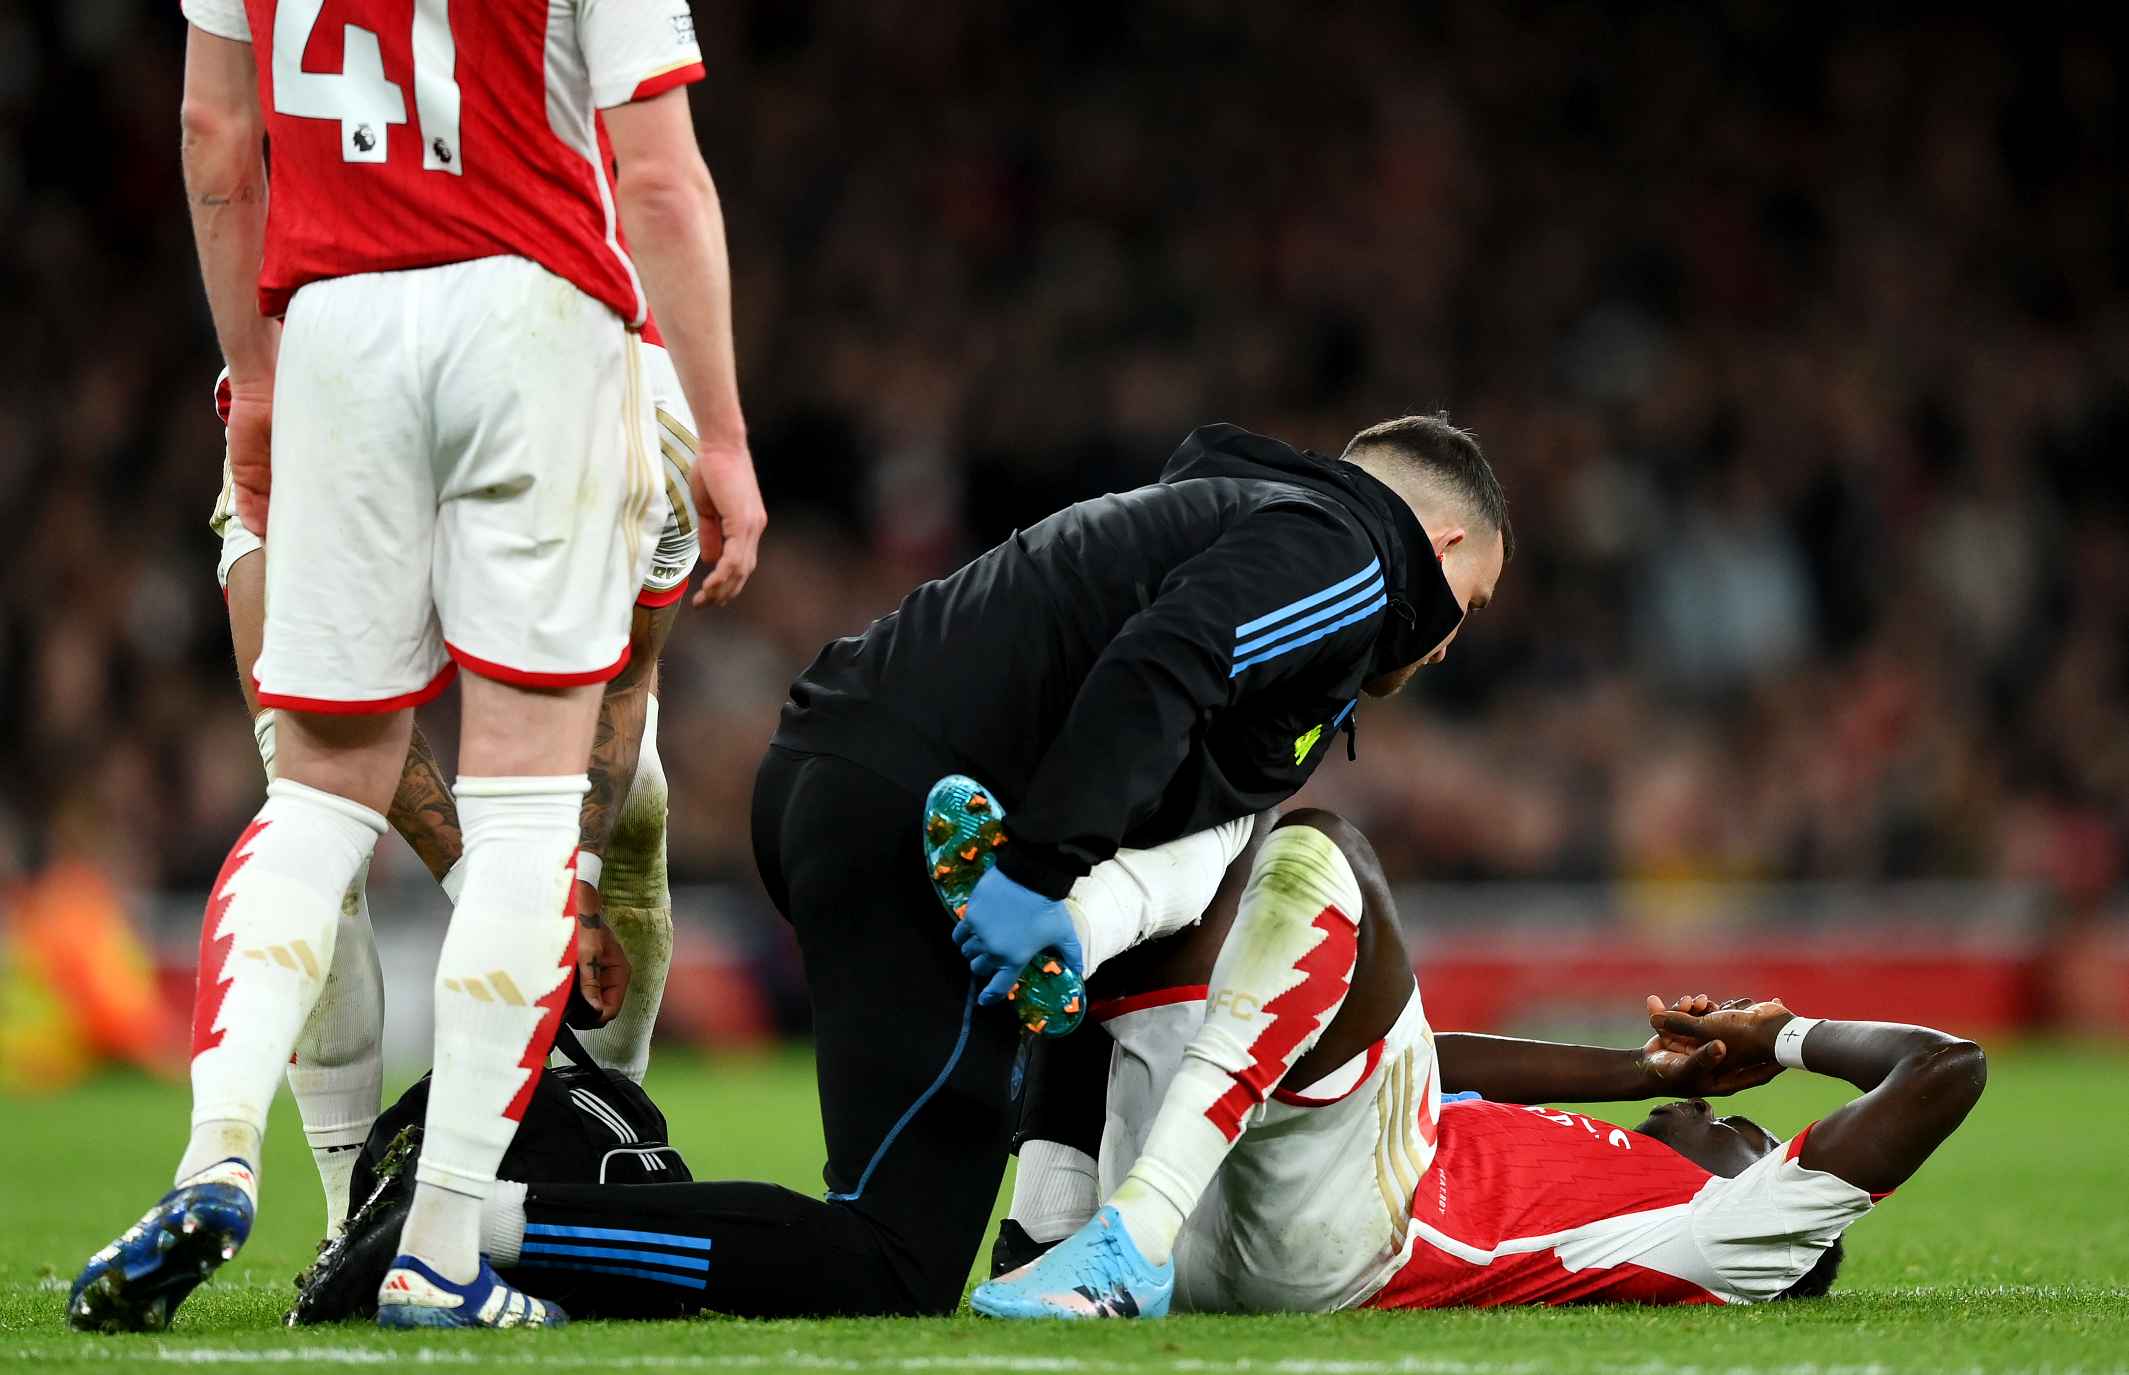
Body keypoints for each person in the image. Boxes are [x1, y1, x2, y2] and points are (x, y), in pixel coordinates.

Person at [298, 414, 1506, 1319]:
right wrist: (1034, 872)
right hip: (920, 815)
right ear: (1439, 538)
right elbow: (1164, 666)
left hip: (850, 773)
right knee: (889, 1260)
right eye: (1471, 598)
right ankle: (463, 1229)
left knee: (916, 1199)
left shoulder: (1243, 515)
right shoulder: (1355, 560)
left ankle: (1044, 1230)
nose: (1450, 639)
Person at [70, 0, 760, 1334]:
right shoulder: (650, 411)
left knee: (314, 787)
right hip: (538, 319)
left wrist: (253, 375)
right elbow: (660, 175)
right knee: (528, 806)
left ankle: (219, 1156)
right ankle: (431, 1240)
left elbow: (217, 130)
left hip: (328, 329)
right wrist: (726, 438)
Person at [973, 809, 1990, 1316]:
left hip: (1343, 1242)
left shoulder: (1736, 1241)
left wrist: (1777, 1037)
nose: (1735, 1125)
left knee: (1321, 852)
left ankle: (1104, 1233)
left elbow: (1946, 1068)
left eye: (1753, 1137)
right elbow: (1424, 1057)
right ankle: (1047, 1232)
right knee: (1189, 888)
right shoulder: (1605, 1166)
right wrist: (1647, 1072)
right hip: (1254, 1214)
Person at [205, 341, 700, 1239]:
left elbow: (624, 687)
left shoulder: (657, 451)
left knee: (640, 798)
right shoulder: (333, 407)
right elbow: (339, 735)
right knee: (319, 810)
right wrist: (501, 900)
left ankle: (597, 1133)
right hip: (346, 456)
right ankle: (345, 1217)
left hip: (451, 424)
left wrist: (574, 883)